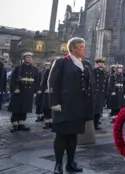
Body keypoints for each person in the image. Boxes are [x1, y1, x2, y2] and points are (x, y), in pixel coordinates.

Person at [49, 37, 94, 173]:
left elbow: (89, 86)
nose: (84, 49)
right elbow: (52, 84)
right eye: (81, 47)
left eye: (84, 47)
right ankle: (58, 164)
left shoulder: (86, 64)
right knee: (62, 135)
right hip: (64, 105)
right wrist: (55, 103)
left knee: (73, 135)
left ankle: (70, 162)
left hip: (80, 106)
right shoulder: (61, 62)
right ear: (73, 48)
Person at [8, 52, 40, 133]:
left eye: (30, 57)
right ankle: (15, 124)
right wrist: (14, 88)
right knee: (16, 108)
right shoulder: (18, 68)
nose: (29, 59)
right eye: (27, 57)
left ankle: (21, 124)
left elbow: (37, 81)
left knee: (25, 108)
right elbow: (12, 79)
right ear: (24, 58)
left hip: (28, 91)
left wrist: (35, 91)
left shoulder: (35, 69)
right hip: (19, 90)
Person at [93, 57, 108, 130]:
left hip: (101, 93)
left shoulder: (105, 72)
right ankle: (94, 124)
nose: (101, 64)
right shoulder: (94, 71)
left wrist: (106, 94)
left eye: (102, 63)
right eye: (100, 63)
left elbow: (106, 84)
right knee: (95, 109)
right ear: (97, 64)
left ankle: (97, 122)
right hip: (96, 93)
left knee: (99, 109)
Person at [40, 62, 53, 129]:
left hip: (55, 93)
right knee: (46, 107)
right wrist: (48, 89)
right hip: (47, 92)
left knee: (52, 108)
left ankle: (51, 122)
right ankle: (47, 122)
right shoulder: (48, 71)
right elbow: (43, 82)